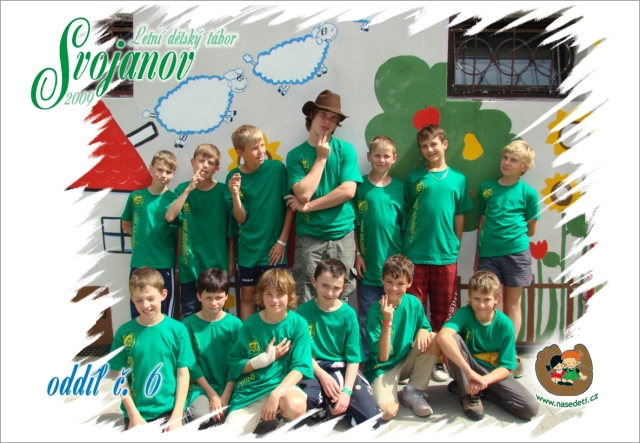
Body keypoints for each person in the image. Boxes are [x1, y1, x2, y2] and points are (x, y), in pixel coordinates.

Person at [403, 124, 474, 382]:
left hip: (445, 255)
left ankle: (440, 361)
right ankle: (414, 361)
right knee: (415, 311)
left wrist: (456, 243)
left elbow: (460, 214)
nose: (429, 149)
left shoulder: (458, 179)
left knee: (444, 312)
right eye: (424, 146)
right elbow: (406, 213)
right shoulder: (414, 179)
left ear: (444, 144)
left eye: (433, 144)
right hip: (415, 254)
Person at [285, 90, 362, 304]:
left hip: (342, 234)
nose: (328, 121)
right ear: (311, 116)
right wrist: (321, 158)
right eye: (323, 115)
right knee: (306, 296)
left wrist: (309, 207)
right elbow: (303, 193)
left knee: (340, 297)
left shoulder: (345, 150)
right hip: (309, 237)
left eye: (333, 118)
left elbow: (348, 191)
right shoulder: (295, 155)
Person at [108, 267, 205, 431]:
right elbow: (119, 377)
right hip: (137, 413)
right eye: (139, 300)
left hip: (169, 411)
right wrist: (133, 415)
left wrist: (177, 415)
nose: (145, 305)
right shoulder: (124, 333)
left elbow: (183, 374)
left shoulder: (178, 330)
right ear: (132, 299)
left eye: (150, 298)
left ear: (163, 294)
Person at [437, 270, 538, 421]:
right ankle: (469, 396)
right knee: (453, 338)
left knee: (529, 408)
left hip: (492, 371)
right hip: (468, 367)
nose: (481, 305)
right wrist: (470, 373)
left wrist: (484, 381)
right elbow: (443, 337)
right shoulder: (464, 313)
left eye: (487, 299)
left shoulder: (505, 324)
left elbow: (506, 367)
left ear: (497, 299)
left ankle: (481, 391)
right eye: (476, 299)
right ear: (469, 297)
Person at [476, 140, 539, 378]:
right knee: (492, 304)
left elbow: (531, 229)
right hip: (489, 254)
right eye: (505, 158)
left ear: (524, 167)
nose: (507, 163)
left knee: (512, 304)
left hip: (517, 254)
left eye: (514, 160)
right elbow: (482, 222)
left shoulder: (528, 193)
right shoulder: (487, 188)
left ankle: (509, 354)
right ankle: (492, 352)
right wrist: (478, 254)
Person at [224, 269, 313, 435]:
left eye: (280, 294)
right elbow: (236, 364)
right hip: (251, 390)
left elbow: (300, 367)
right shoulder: (250, 324)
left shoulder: (299, 324)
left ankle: (281, 422)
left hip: (282, 387)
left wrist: (276, 394)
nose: (274, 300)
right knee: (228, 434)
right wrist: (262, 360)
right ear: (261, 296)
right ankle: (262, 421)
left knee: (297, 406)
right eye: (269, 294)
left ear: (289, 295)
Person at [297, 259, 382, 428]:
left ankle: (337, 404)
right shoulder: (302, 312)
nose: (329, 292)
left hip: (340, 368)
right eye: (325, 285)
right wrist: (322, 376)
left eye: (336, 288)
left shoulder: (348, 314)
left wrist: (347, 392)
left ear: (343, 288)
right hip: (313, 367)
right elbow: (302, 353)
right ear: (314, 282)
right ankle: (321, 403)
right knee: (308, 403)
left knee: (373, 421)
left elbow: (353, 359)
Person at [226, 125, 295, 321]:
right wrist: (235, 194)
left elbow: (290, 206)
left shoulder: (277, 169)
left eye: (262, 145)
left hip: (274, 250)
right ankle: (248, 338)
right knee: (248, 296)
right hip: (248, 250)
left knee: (276, 297)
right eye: (254, 148)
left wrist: (282, 241)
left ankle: (277, 337)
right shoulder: (233, 176)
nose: (261, 151)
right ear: (240, 152)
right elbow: (241, 218)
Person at [364, 255, 441, 422]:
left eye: (400, 283)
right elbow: (383, 357)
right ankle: (386, 389)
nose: (394, 288)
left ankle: (412, 391)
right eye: (389, 282)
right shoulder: (375, 312)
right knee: (386, 413)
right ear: (382, 280)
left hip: (406, 361)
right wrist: (387, 321)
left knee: (435, 338)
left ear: (409, 283)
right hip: (383, 367)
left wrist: (423, 330)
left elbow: (425, 326)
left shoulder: (414, 303)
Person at [165, 144, 237, 319]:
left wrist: (231, 261)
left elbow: (231, 230)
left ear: (216, 169)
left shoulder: (223, 191)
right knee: (189, 311)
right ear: (192, 162)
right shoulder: (182, 189)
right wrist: (189, 189)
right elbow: (170, 217)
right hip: (189, 264)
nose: (204, 165)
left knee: (216, 311)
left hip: (217, 264)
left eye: (210, 162)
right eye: (201, 160)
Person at [354, 136, 404, 358]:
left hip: (393, 267)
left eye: (386, 156)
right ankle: (368, 358)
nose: (381, 160)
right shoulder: (359, 187)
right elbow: (353, 225)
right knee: (367, 314)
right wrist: (357, 254)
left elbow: (405, 227)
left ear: (394, 158)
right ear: (368, 156)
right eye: (377, 155)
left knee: (393, 313)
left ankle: (393, 357)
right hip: (368, 264)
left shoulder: (400, 188)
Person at [121, 150, 181, 319]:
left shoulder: (174, 199)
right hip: (139, 262)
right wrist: (142, 237)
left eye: (168, 172)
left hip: (164, 264)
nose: (163, 175)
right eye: (160, 169)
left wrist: (177, 266)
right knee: (139, 311)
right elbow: (126, 224)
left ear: (173, 174)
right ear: (151, 168)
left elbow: (179, 235)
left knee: (164, 313)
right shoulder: (136, 197)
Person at [183, 268, 243, 429]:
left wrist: (225, 395)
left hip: (230, 385)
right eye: (208, 298)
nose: (214, 303)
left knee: (237, 414)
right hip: (200, 386)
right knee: (201, 416)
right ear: (198, 296)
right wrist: (213, 395)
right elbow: (192, 365)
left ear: (226, 296)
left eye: (219, 297)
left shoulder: (236, 325)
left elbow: (237, 364)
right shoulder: (187, 325)